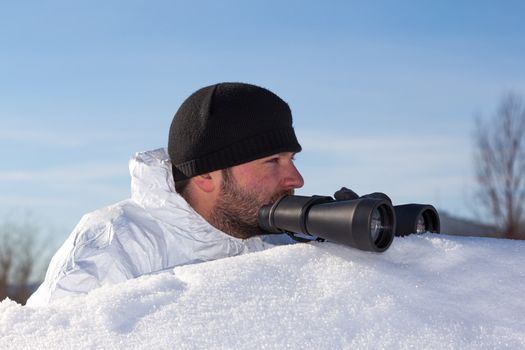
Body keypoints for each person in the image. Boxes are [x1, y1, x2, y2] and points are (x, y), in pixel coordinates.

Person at [27, 82, 304, 306]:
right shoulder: (115, 247)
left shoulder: (283, 238)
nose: (296, 179)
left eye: (292, 159)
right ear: (206, 175)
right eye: (272, 161)